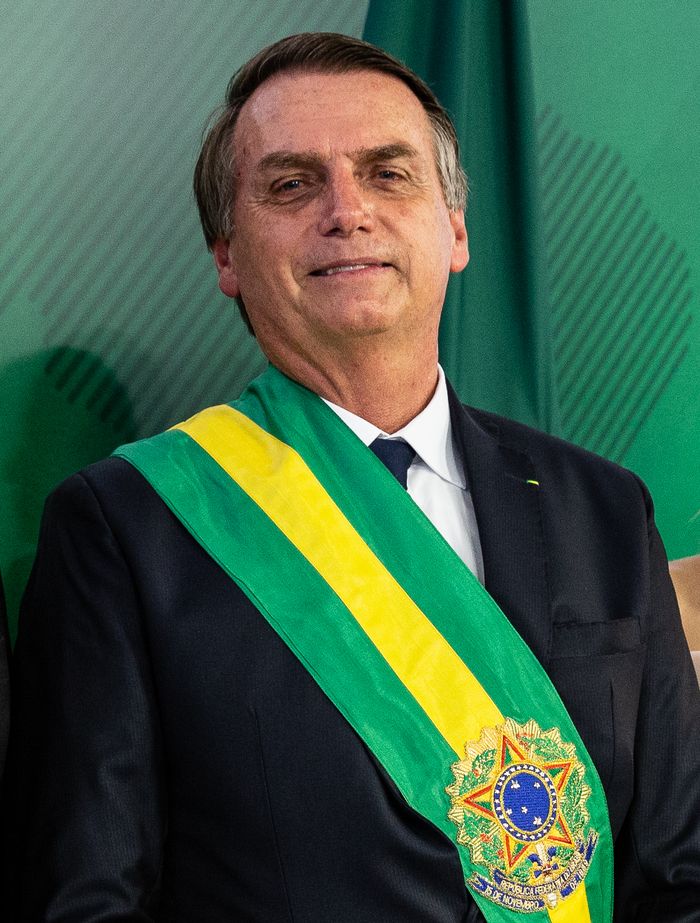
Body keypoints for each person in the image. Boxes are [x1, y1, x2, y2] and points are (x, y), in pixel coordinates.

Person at [4, 32, 700, 923]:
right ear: (226, 254)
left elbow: (679, 876)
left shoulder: (604, 509)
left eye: (388, 173)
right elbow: (88, 901)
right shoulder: (125, 527)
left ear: (455, 229)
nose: (348, 210)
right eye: (293, 185)